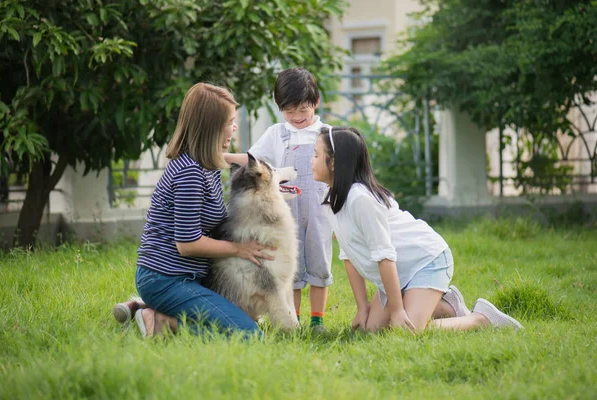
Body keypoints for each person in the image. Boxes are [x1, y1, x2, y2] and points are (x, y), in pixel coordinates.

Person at [311, 126, 524, 332]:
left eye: (316, 155)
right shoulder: (331, 199)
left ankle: (481, 319)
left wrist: (396, 310)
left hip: (426, 260)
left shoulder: (360, 199)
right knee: (369, 329)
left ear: (334, 163)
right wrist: (362, 308)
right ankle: (447, 307)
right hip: (400, 270)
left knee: (406, 331)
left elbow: (385, 255)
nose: (311, 161)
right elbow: (348, 254)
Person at [114, 83, 275, 338]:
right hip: (166, 279)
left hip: (189, 277)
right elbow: (187, 244)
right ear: (211, 127)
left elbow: (255, 162)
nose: (234, 126)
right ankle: (157, 319)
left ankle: (141, 306)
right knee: (249, 336)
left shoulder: (207, 163)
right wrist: (239, 249)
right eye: (230, 121)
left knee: (243, 321)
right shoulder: (190, 172)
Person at [224, 68, 333, 330]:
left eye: (303, 110)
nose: (296, 117)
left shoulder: (328, 133)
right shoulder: (276, 134)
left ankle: (317, 319)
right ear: (279, 108)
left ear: (315, 103)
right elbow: (253, 161)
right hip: (283, 215)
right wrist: (222, 157)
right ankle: (290, 315)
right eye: (289, 111)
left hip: (320, 212)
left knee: (320, 265)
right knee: (288, 267)